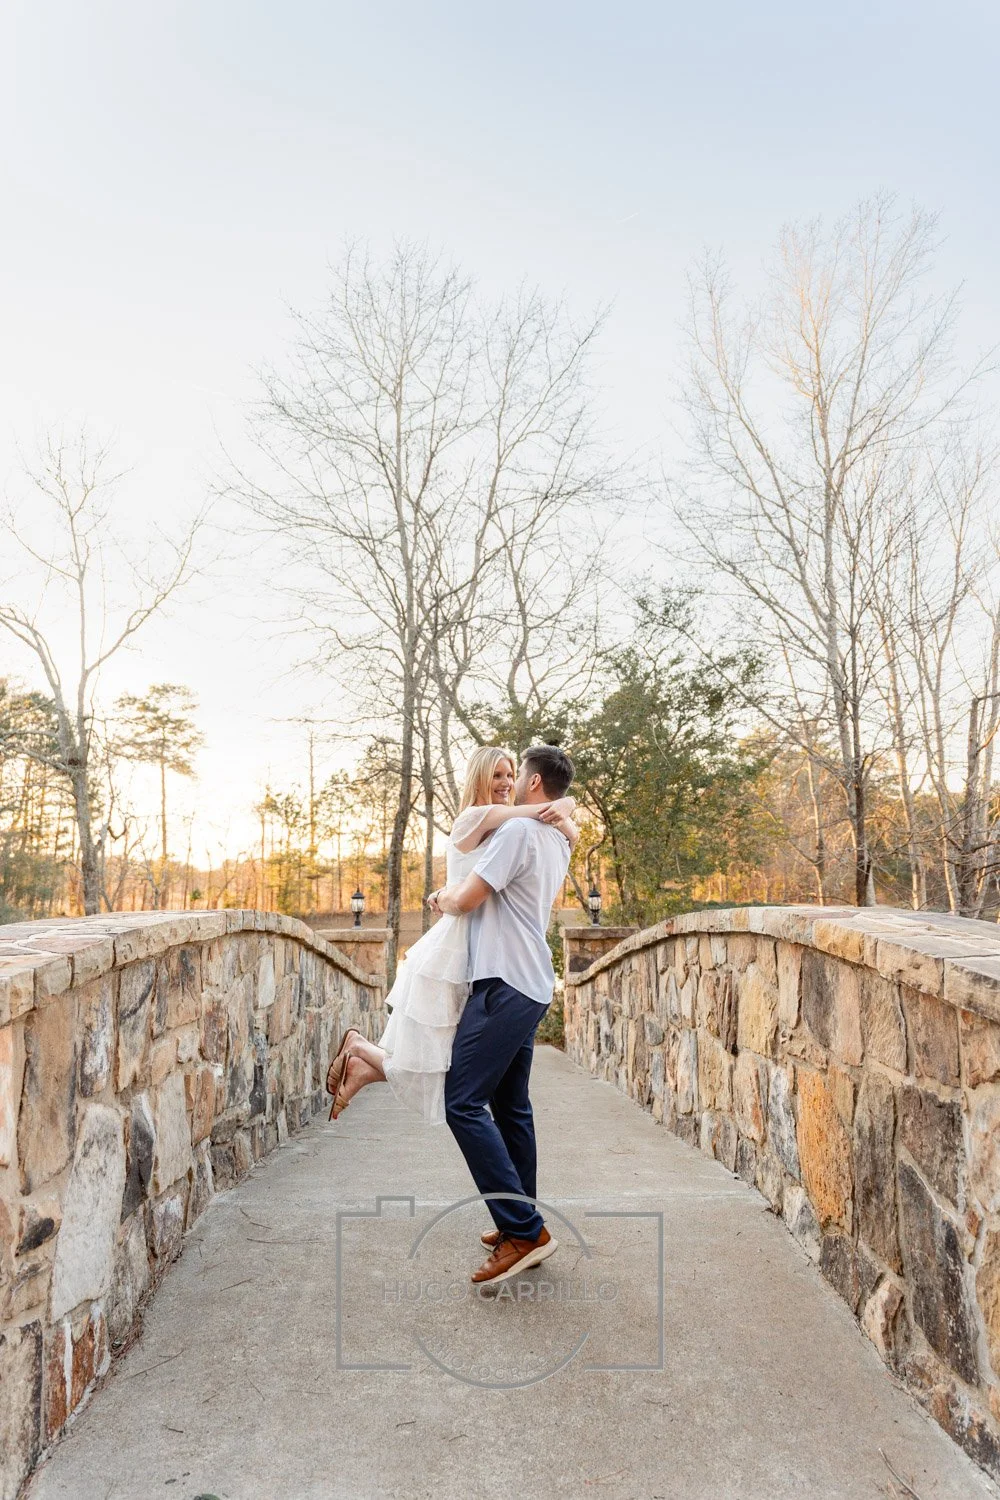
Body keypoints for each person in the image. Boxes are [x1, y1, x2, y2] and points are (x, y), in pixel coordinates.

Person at [325, 746, 577, 1126]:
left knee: (448, 1063)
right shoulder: (479, 817)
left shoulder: (511, 826)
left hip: (479, 954)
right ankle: (362, 1054)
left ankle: (362, 1056)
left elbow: (565, 832)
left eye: (512, 774)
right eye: (498, 776)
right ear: (479, 777)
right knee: (443, 1066)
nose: (508, 783)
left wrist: (567, 807)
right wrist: (563, 805)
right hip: (454, 950)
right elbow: (529, 816)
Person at [432, 743, 576, 1287]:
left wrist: (438, 897)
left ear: (533, 784)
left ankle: (523, 1230)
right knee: (510, 1106)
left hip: (503, 983)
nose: (510, 783)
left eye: (516, 775)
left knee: (462, 1102)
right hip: (534, 982)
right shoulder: (557, 836)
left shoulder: (516, 832)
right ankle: (518, 1215)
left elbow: (467, 898)